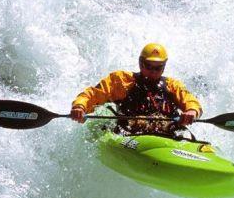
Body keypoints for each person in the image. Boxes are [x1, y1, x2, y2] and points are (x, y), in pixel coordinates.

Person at [70, 43, 202, 135]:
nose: (153, 72)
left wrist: (191, 111)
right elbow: (92, 94)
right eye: (148, 66)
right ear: (140, 63)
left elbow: (190, 100)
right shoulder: (121, 80)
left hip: (167, 134)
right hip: (128, 134)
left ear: (164, 66)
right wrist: (80, 107)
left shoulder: (173, 85)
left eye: (158, 68)